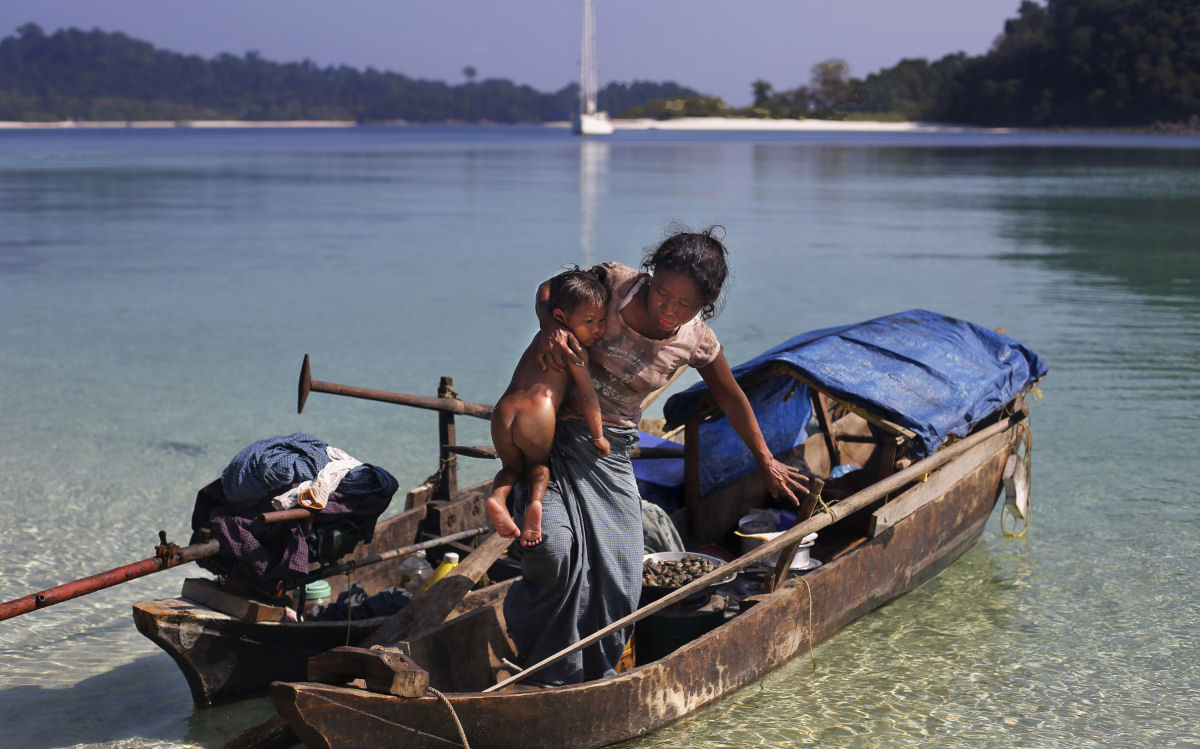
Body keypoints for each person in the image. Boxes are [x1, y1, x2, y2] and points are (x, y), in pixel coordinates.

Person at [502, 225, 813, 685]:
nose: (667, 308)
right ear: (649, 276)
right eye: (661, 292)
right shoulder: (614, 283)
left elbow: (732, 399)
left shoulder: (697, 341)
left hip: (610, 454)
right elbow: (551, 289)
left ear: (703, 307)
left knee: (622, 576)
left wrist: (765, 458)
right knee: (553, 550)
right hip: (548, 440)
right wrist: (551, 325)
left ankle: (590, 674)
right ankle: (546, 664)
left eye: (683, 304)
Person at [485, 267, 611, 547]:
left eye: (602, 321)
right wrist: (598, 436)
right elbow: (589, 396)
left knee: (510, 468)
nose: (598, 330)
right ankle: (535, 506)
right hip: (538, 414)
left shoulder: (543, 337)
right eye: (589, 321)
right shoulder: (574, 349)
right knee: (538, 467)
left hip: (503, 411)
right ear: (560, 317)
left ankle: (497, 498)